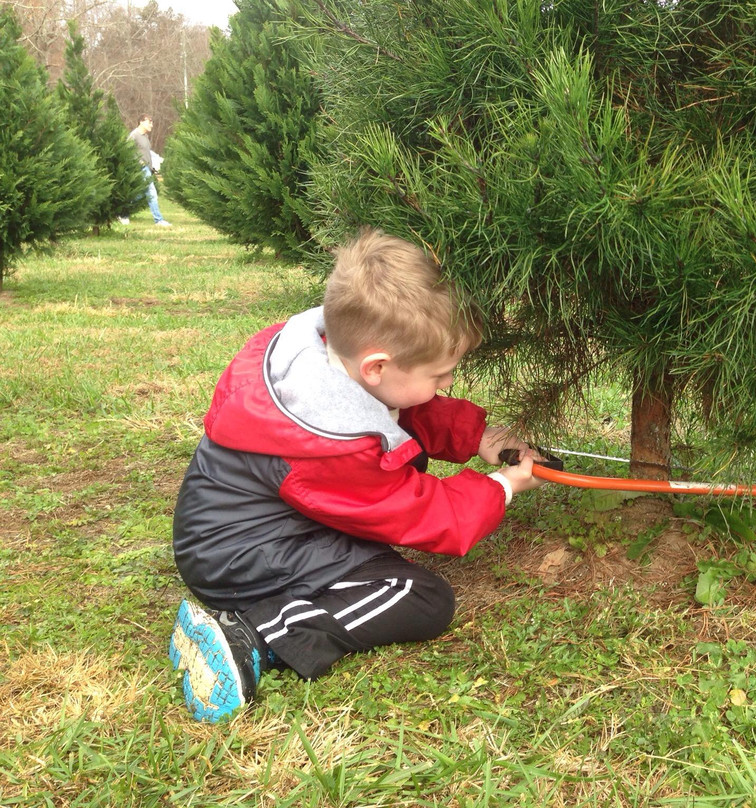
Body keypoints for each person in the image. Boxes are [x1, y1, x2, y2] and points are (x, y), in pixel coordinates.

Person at [168, 228, 544, 722]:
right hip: (240, 559)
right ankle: (250, 637)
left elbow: (401, 409)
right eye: (439, 375)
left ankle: (256, 624)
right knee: (418, 597)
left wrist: (477, 437)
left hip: (239, 532)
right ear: (377, 366)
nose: (448, 382)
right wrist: (502, 487)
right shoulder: (327, 440)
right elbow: (417, 513)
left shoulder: (326, 360)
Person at [127, 114, 170, 227]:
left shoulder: (145, 136)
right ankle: (158, 220)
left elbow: (146, 153)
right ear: (141, 122)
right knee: (151, 192)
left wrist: (154, 166)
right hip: (140, 168)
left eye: (152, 122)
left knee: (140, 193)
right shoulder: (134, 135)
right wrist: (138, 162)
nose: (151, 125)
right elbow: (127, 150)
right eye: (149, 122)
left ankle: (122, 210)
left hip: (147, 168)